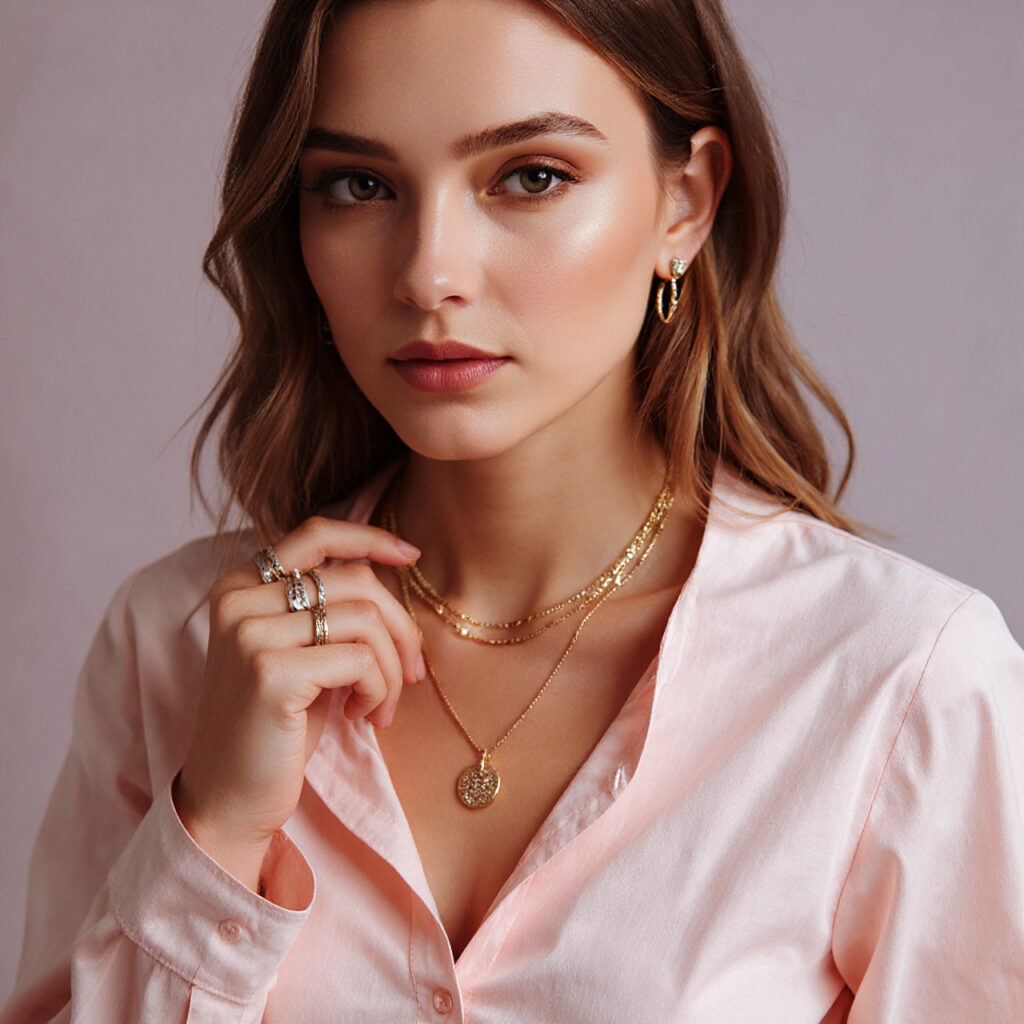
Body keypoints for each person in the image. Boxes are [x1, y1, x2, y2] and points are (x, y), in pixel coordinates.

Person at [4, 0, 1022, 1020]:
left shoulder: (900, 683)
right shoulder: (172, 647)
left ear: (686, 202)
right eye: (357, 185)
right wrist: (215, 826)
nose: (427, 273)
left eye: (531, 176)